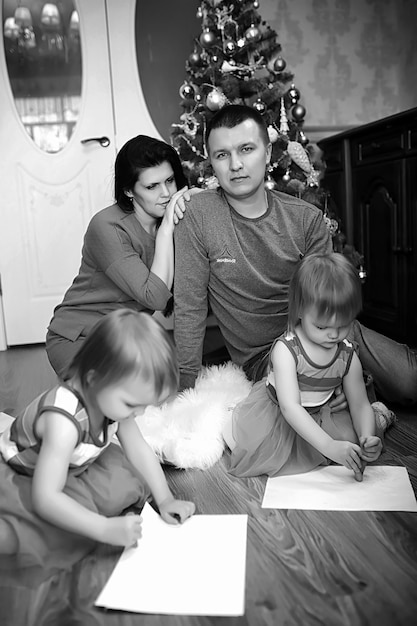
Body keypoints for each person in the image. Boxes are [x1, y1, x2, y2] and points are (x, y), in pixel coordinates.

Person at [173, 104, 417, 406]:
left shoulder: (306, 219)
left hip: (331, 330)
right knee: (314, 407)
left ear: (267, 152)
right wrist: (183, 396)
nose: (235, 164)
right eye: (222, 155)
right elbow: (189, 309)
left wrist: (336, 369)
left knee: (409, 381)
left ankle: (362, 393)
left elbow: (328, 302)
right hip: (265, 356)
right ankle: (368, 405)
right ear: (211, 161)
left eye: (246, 149)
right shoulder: (197, 216)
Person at [0, 309, 195, 568]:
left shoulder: (110, 398)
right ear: (93, 379)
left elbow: (138, 449)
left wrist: (166, 499)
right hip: (28, 474)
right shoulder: (63, 423)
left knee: (132, 479)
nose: (139, 413)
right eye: (131, 405)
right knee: (56, 530)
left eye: (145, 406)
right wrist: (104, 529)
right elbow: (45, 496)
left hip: (74, 464)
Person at [224, 253, 393, 478]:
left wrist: (367, 435)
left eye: (343, 325)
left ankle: (378, 417)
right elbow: (290, 408)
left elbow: (359, 404)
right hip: (281, 415)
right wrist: (329, 446)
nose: (333, 334)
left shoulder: (347, 354)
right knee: (239, 441)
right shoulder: (286, 350)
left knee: (354, 443)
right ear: (300, 311)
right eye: (322, 327)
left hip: (323, 412)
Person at [46, 134, 195, 379]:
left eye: (170, 180)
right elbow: (155, 298)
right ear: (128, 190)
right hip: (81, 338)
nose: (167, 193)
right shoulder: (107, 227)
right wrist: (167, 228)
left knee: (149, 406)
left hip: (126, 338)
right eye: (151, 186)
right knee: (102, 411)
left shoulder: (175, 216)